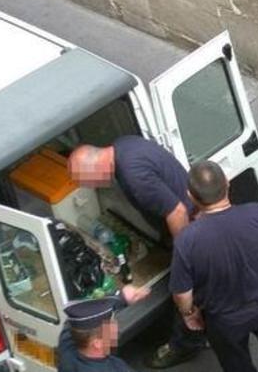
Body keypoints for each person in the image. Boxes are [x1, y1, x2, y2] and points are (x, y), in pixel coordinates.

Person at [67, 135, 207, 368]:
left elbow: (178, 213)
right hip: (188, 220)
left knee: (184, 287)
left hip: (191, 227)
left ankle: (186, 344)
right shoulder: (124, 146)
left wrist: (183, 259)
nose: (90, 186)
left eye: (86, 181)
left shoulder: (133, 176)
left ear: (94, 168)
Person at [169, 160, 258, 372]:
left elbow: (182, 293)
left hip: (225, 319)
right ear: (227, 183)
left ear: (190, 195)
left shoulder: (187, 239)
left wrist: (189, 314)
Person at [57, 284, 151, 372]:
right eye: (111, 325)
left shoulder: (66, 348)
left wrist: (122, 298)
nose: (116, 326)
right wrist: (120, 297)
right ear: (97, 343)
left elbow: (74, 320)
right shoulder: (116, 368)